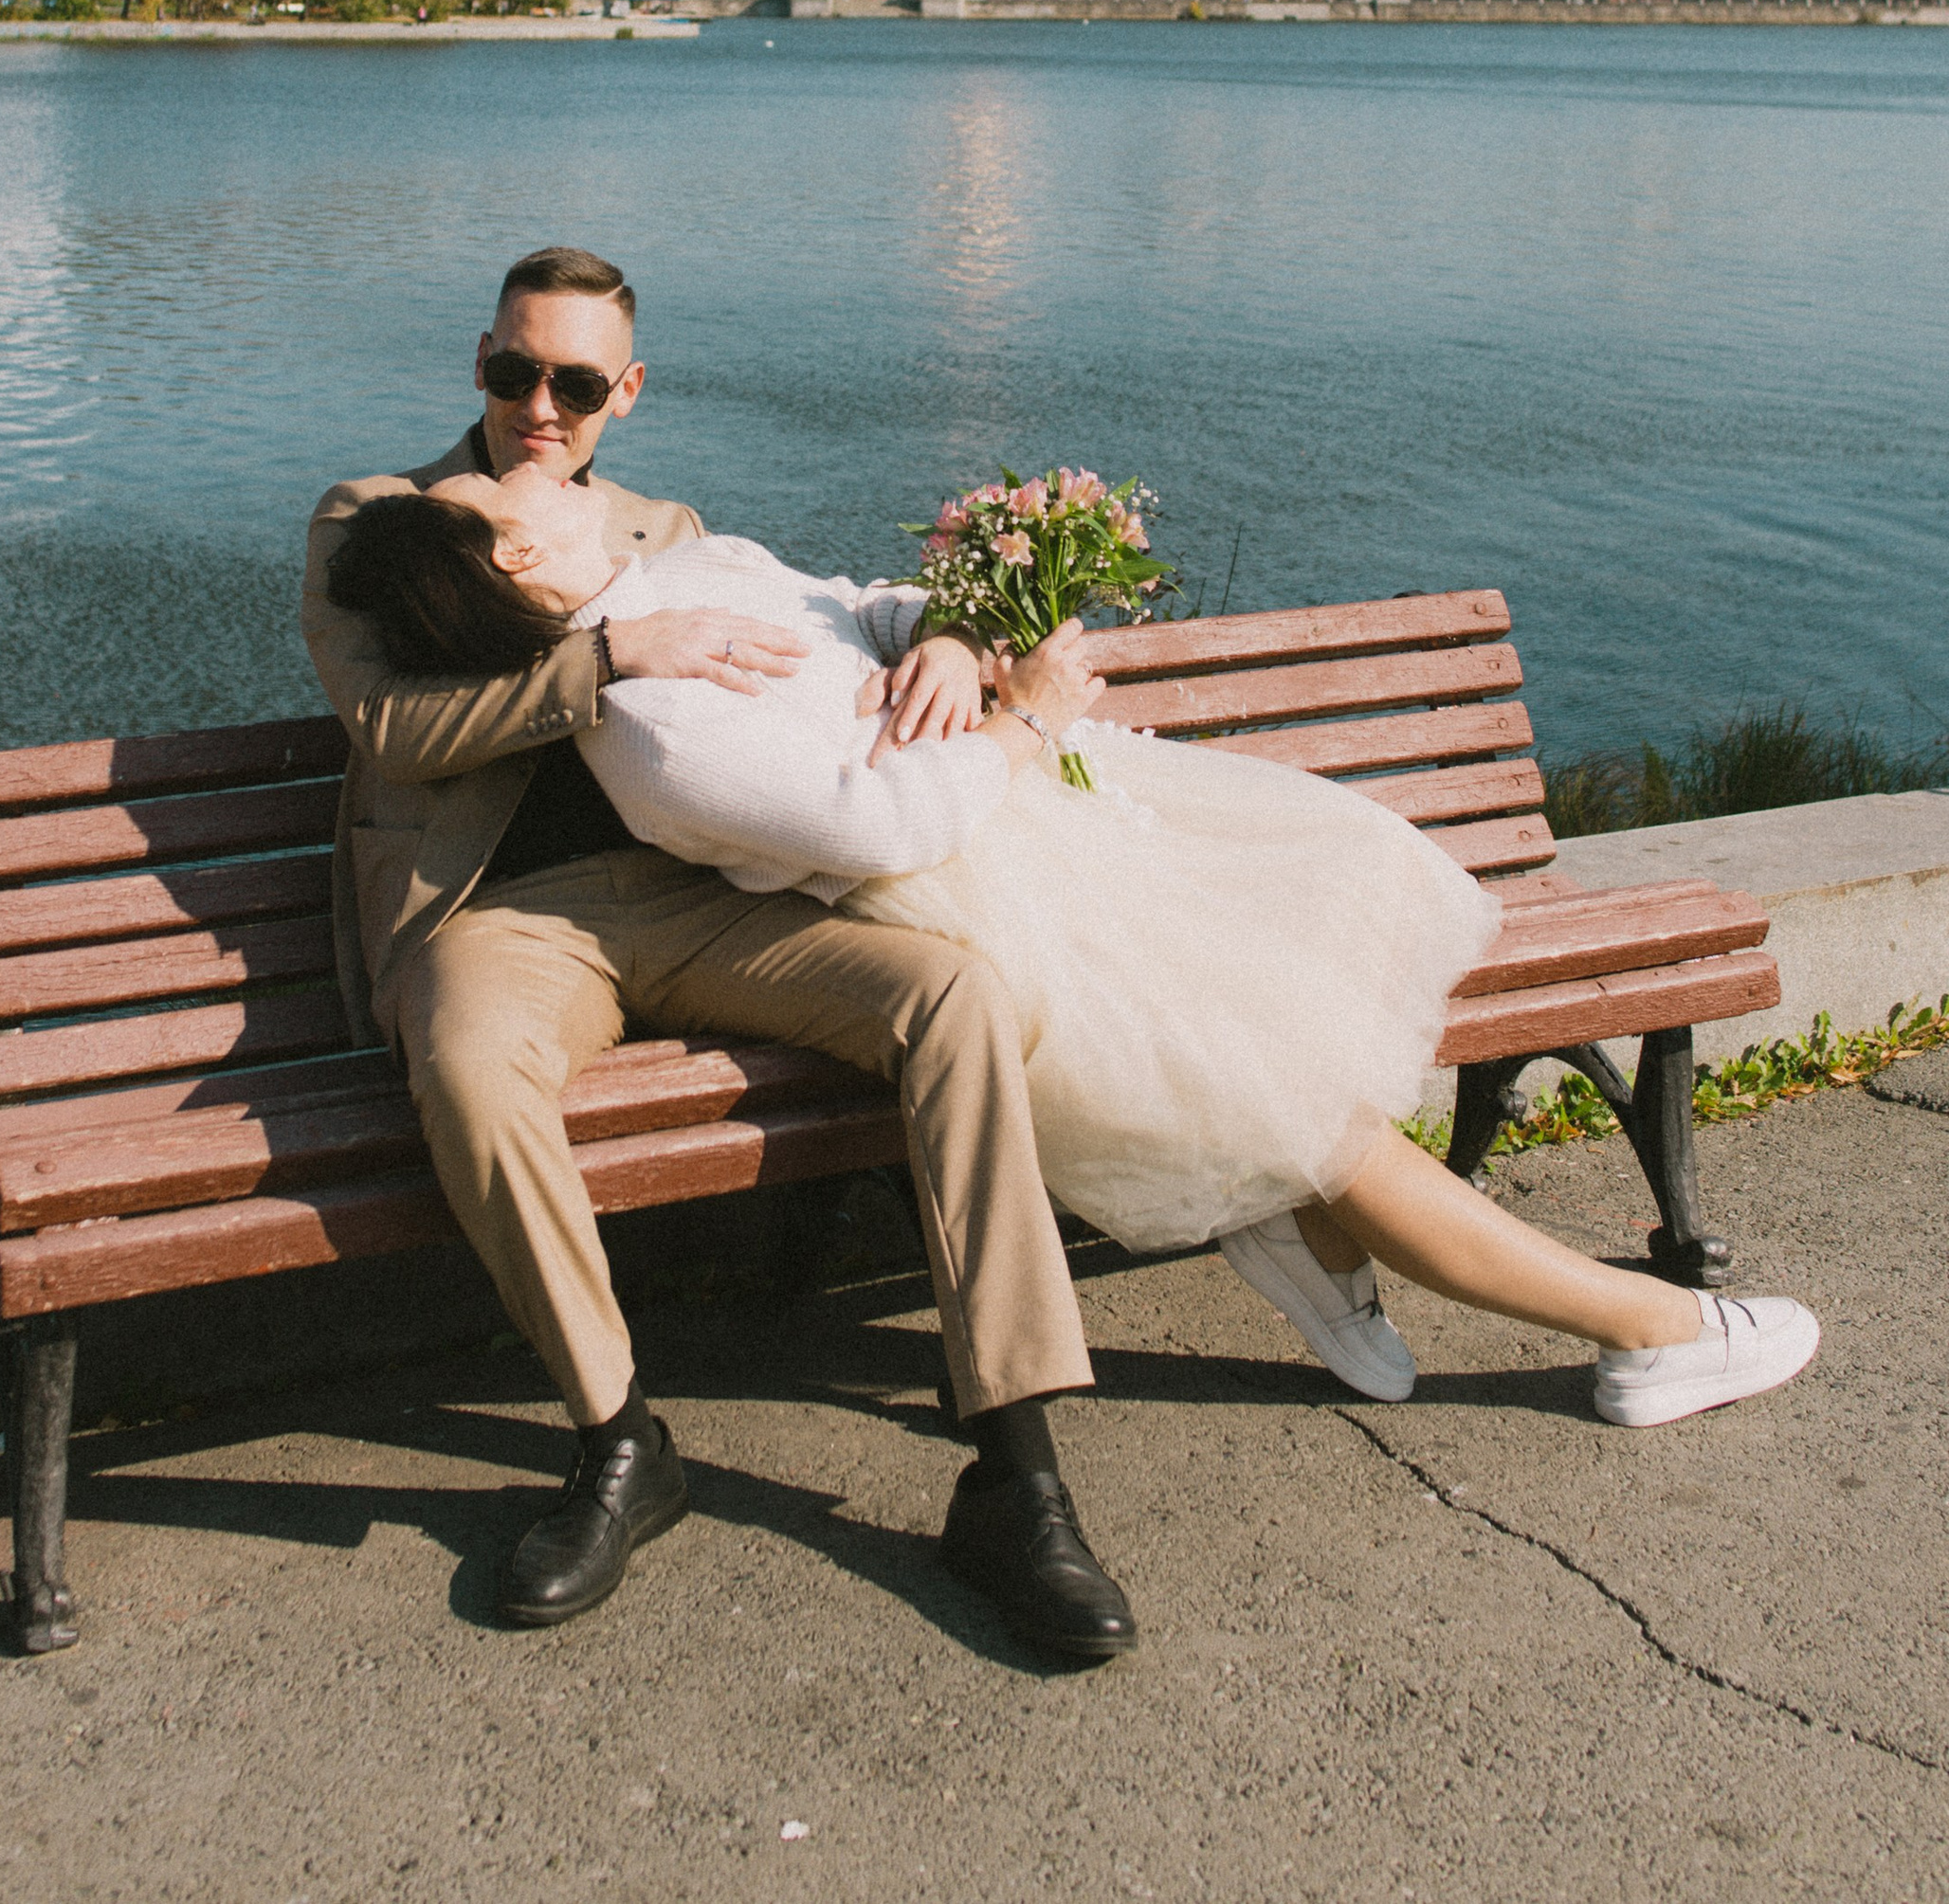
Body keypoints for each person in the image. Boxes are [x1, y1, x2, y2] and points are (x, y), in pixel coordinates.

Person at [327, 464, 1822, 1439]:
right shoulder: (647, 731)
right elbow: (883, 832)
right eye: (500, 477)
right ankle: (1649, 1329)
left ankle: (1285, 1221)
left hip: (1059, 838)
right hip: (991, 893)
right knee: (1327, 1117)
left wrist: (944, 638)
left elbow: (851, 604)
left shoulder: (681, 569)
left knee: (1301, 1034)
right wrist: (1030, 716)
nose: (534, 452)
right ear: (517, 550)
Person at [301, 246, 1138, 1659]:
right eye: (516, 372)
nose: (540, 407)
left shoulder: (659, 527)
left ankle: (1018, 1471)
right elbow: (392, 729)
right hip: (499, 919)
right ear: (482, 363)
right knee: (464, 1061)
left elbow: (814, 628)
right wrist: (619, 660)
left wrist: (943, 633)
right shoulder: (384, 521)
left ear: (624, 392)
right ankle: (620, 1441)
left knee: (953, 997)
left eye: (574, 382)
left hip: (698, 899)